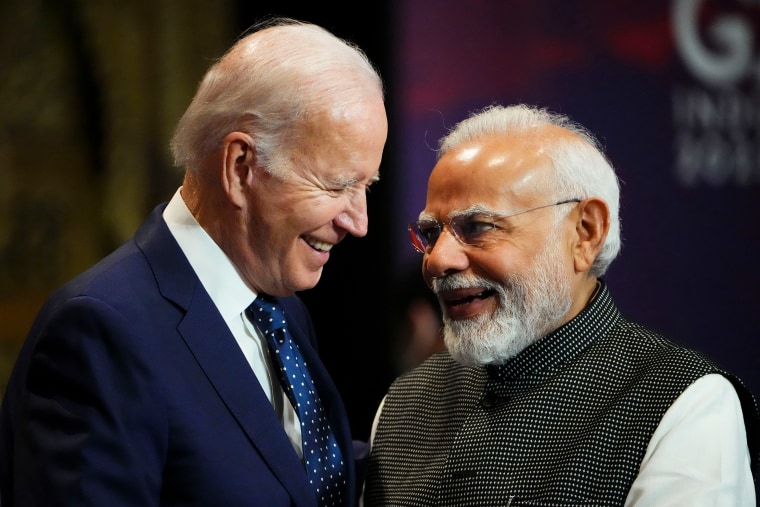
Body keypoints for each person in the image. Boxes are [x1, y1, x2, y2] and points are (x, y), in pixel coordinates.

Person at [1, 17, 387, 507]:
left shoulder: (277, 310)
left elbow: (302, 478)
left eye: (366, 187)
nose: (359, 222)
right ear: (240, 168)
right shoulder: (99, 333)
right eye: (336, 185)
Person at [362, 104, 759, 506]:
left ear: (585, 233)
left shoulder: (684, 404)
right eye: (431, 232)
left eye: (477, 227)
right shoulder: (404, 404)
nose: (437, 260)